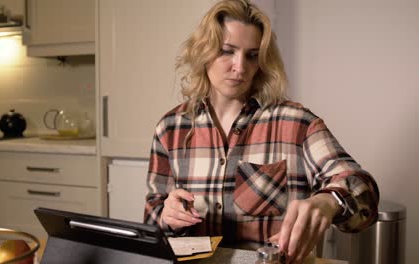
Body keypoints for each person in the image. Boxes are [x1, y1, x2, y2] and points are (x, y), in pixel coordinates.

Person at [144, 0, 379, 263]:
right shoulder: (170, 128)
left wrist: (329, 202)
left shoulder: (296, 123)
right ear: (204, 52)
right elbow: (151, 223)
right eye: (227, 51)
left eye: (252, 55)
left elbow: (363, 192)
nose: (240, 67)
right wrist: (167, 217)